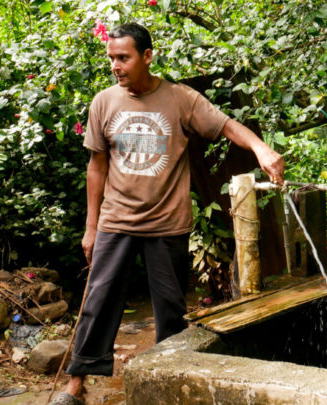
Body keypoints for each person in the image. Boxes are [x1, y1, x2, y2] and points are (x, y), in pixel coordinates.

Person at [51, 23, 284, 405]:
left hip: (167, 224)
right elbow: (96, 166)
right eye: (111, 58)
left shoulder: (180, 99)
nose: (116, 66)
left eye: (123, 58)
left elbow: (226, 125)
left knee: (171, 310)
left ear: (147, 56)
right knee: (98, 301)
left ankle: (169, 383)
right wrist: (91, 226)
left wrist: (261, 149)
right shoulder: (104, 102)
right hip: (116, 220)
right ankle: (76, 384)